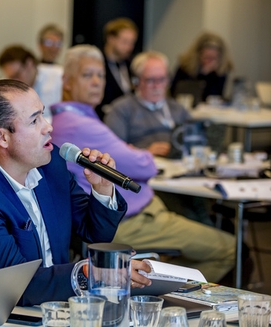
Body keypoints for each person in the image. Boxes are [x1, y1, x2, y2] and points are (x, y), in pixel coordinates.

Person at [0, 78, 153, 310]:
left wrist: (102, 189)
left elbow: (95, 234)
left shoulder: (52, 165)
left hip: (54, 309)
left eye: (43, 115)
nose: (48, 127)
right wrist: (89, 272)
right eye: (34, 120)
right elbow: (15, 286)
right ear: (1, 137)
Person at [50, 44, 235, 283]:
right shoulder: (79, 123)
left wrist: (133, 151)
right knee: (231, 248)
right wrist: (139, 153)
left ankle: (157, 284)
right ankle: (156, 290)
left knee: (203, 219)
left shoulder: (81, 117)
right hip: (131, 220)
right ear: (67, 81)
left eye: (101, 75)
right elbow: (143, 166)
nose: (96, 82)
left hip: (138, 211)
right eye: (87, 75)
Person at [106, 51, 191, 158]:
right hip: (141, 168)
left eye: (162, 79)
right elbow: (113, 152)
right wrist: (144, 153)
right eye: (150, 80)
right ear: (136, 82)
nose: (157, 86)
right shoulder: (121, 109)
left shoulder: (178, 109)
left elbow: (194, 143)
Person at [0, 45, 62, 122]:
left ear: (29, 64)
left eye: (17, 75)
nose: (15, 81)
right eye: (10, 77)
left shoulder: (59, 77)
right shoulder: (3, 86)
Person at [95, 18, 138, 121]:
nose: (129, 47)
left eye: (132, 43)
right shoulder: (96, 64)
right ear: (111, 39)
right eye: (125, 42)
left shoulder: (131, 65)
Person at [171, 32, 234, 102]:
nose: (210, 62)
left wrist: (212, 75)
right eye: (206, 57)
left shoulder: (221, 71)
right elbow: (177, 93)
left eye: (214, 58)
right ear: (198, 54)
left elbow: (215, 97)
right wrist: (202, 74)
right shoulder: (185, 66)